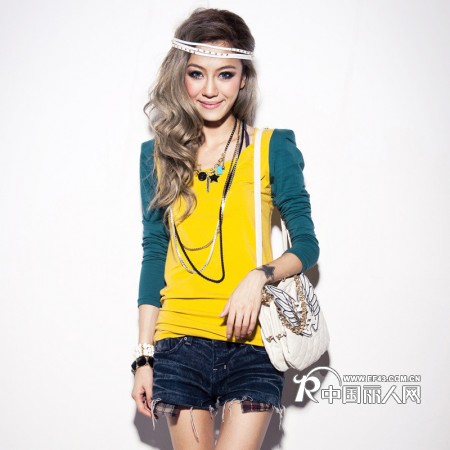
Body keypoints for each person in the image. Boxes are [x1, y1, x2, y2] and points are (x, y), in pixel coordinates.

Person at [131, 8, 319, 450]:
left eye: (226, 74)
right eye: (197, 74)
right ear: (181, 75)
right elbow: (154, 252)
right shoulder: (157, 156)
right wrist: (143, 357)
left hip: (253, 343)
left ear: (243, 79)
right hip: (177, 342)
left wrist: (259, 276)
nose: (211, 89)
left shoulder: (272, 148)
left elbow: (307, 244)